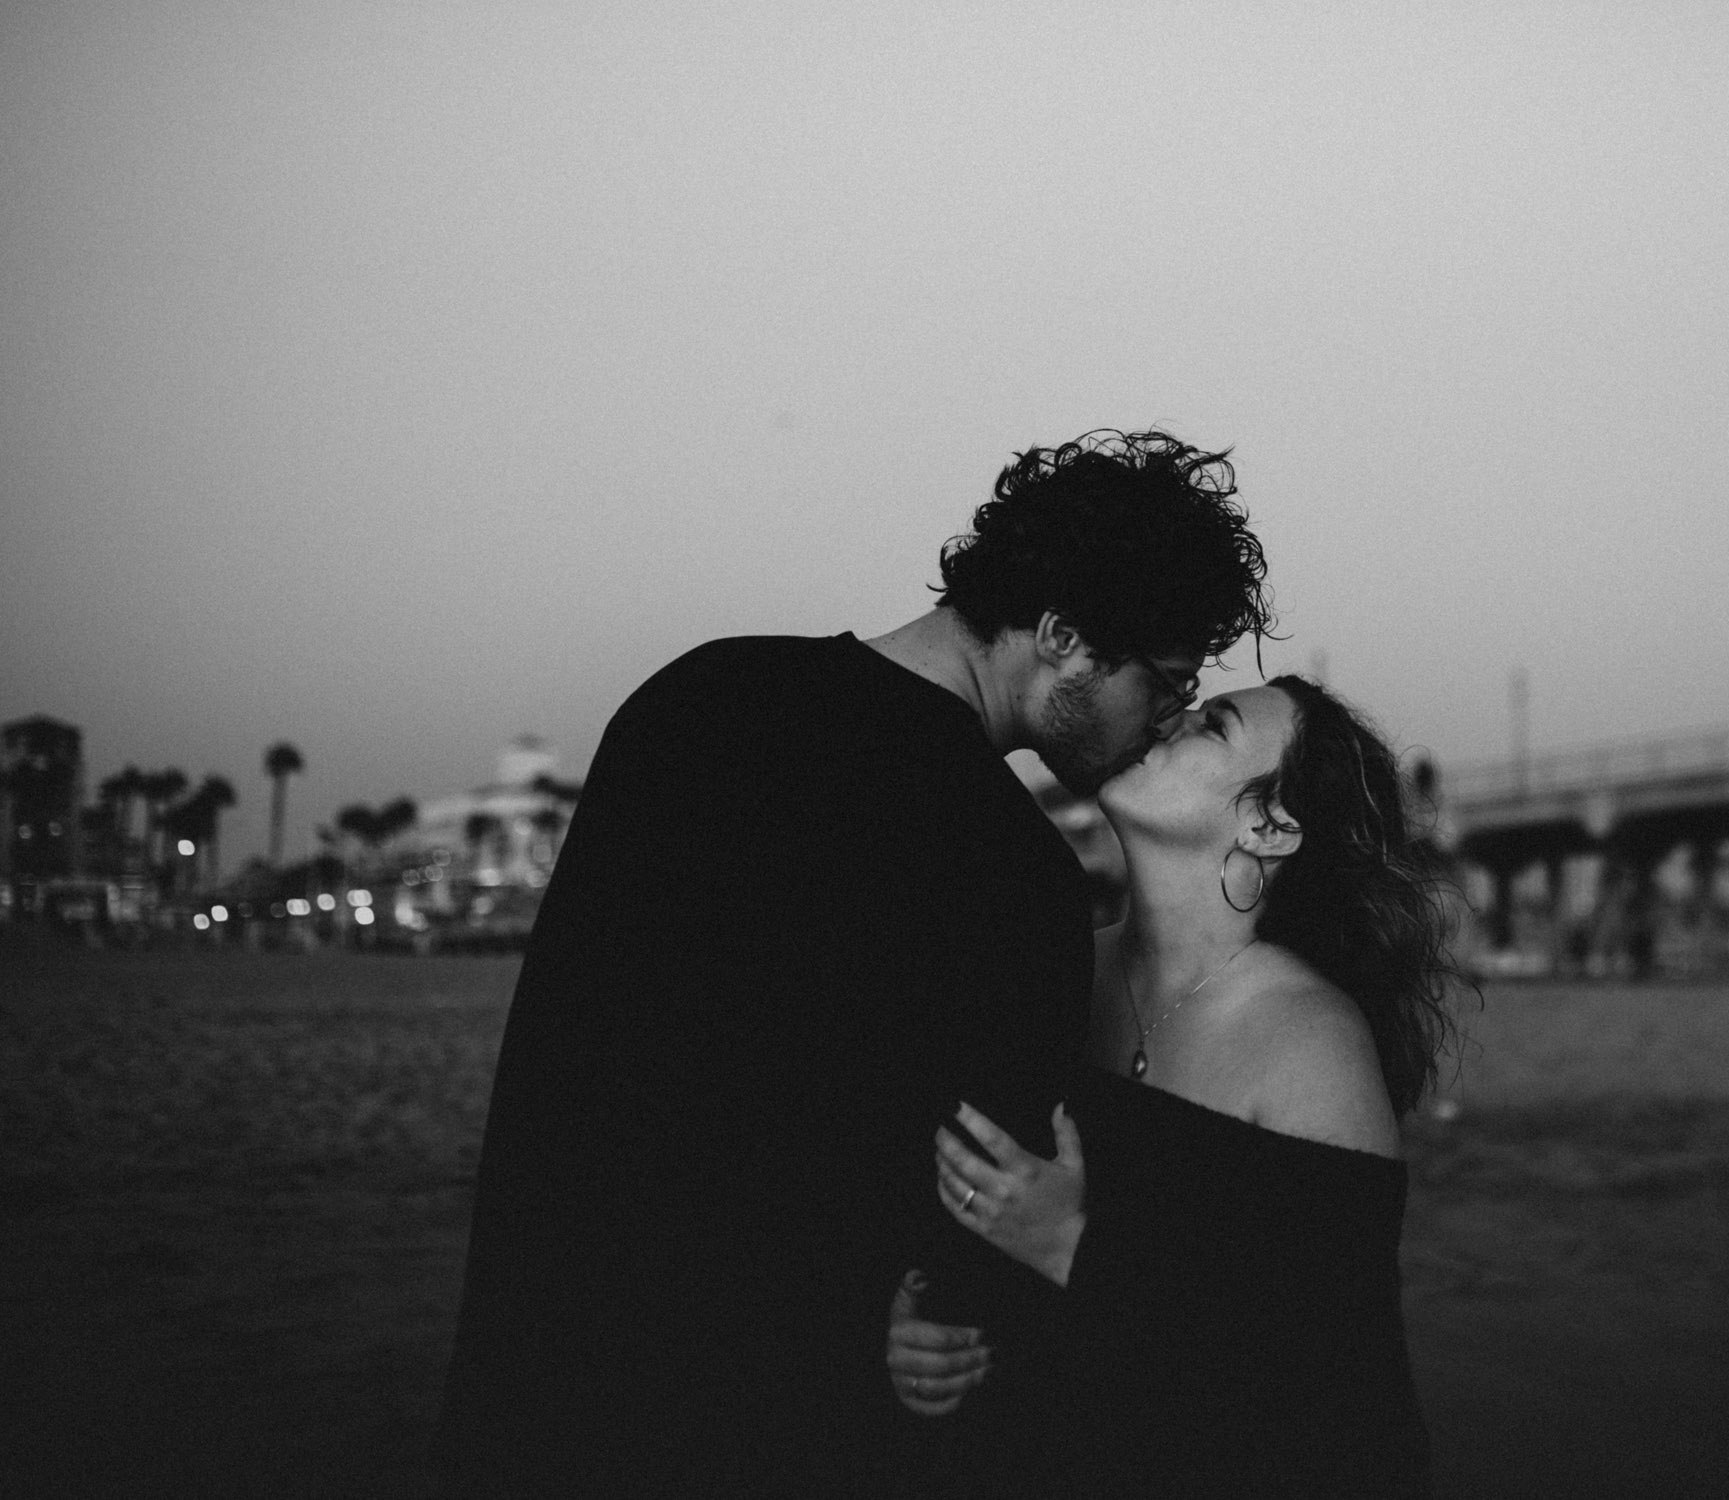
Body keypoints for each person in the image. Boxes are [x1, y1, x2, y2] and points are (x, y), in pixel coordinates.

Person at [432, 430, 1273, 1496]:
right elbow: (973, 1213)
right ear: (1061, 633)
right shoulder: (1015, 876)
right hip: (773, 1429)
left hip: (542, 1385)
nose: (1165, 720)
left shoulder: (691, 699)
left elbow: (572, 1062)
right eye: (1163, 680)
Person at [887, 675, 1458, 1497]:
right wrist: (909, 1330)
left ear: (1271, 825)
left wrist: (1069, 1244)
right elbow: (945, 1215)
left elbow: (1338, 1394)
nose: (1170, 718)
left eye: (1211, 724)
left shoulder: (1310, 1041)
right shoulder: (1052, 967)